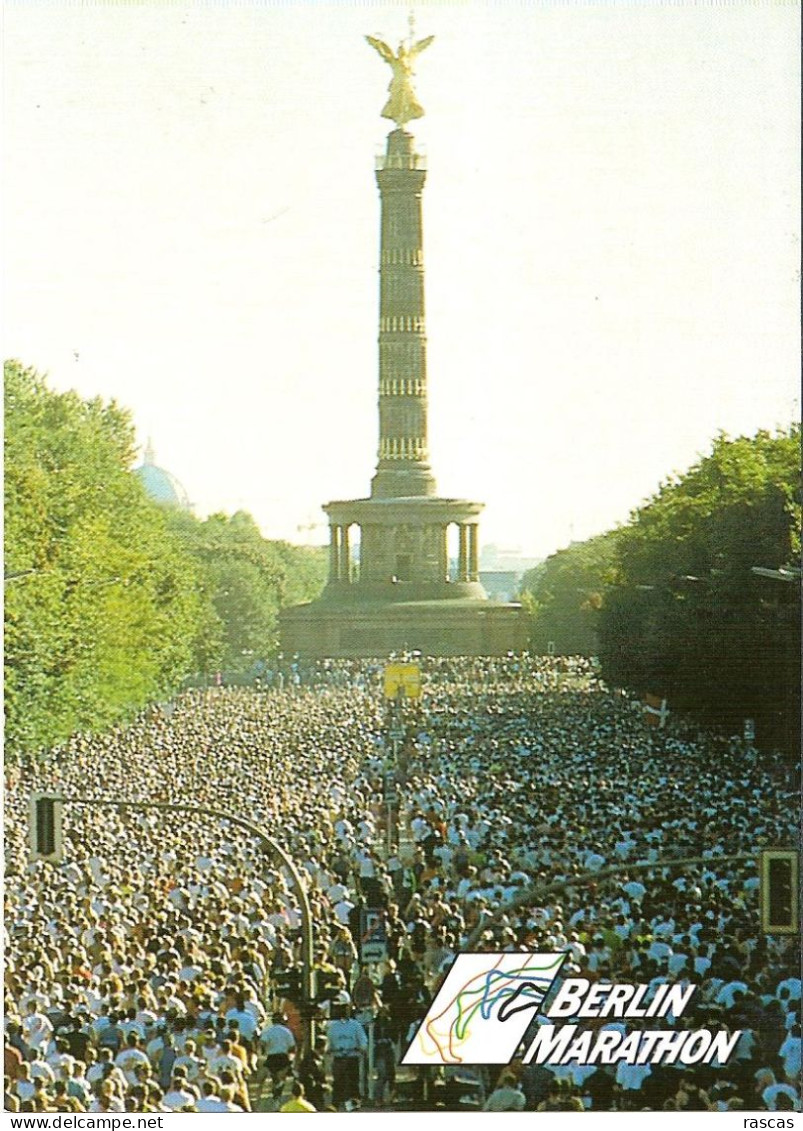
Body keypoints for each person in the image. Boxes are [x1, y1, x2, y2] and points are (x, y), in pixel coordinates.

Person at [326, 1006, 367, 1110]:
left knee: (353, 1082)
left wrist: (362, 1048)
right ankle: (335, 1105)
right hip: (338, 1058)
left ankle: (353, 1105)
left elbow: (363, 1040)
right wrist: (329, 1049)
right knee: (338, 1082)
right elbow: (329, 1041)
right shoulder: (333, 1026)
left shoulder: (355, 1025)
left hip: (352, 1057)